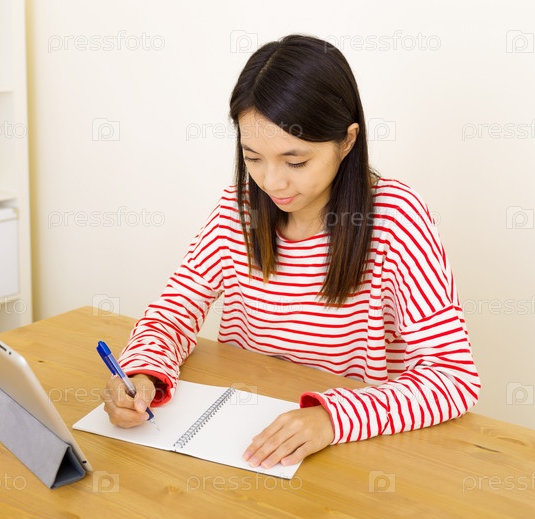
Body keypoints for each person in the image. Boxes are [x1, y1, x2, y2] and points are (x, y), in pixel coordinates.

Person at [101, 34, 480, 469]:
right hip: (242, 442)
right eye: (253, 158)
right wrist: (142, 372)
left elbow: (453, 376)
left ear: (347, 141)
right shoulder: (238, 210)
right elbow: (173, 313)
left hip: (350, 454)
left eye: (296, 162)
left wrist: (331, 418)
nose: (272, 182)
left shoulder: (396, 217)